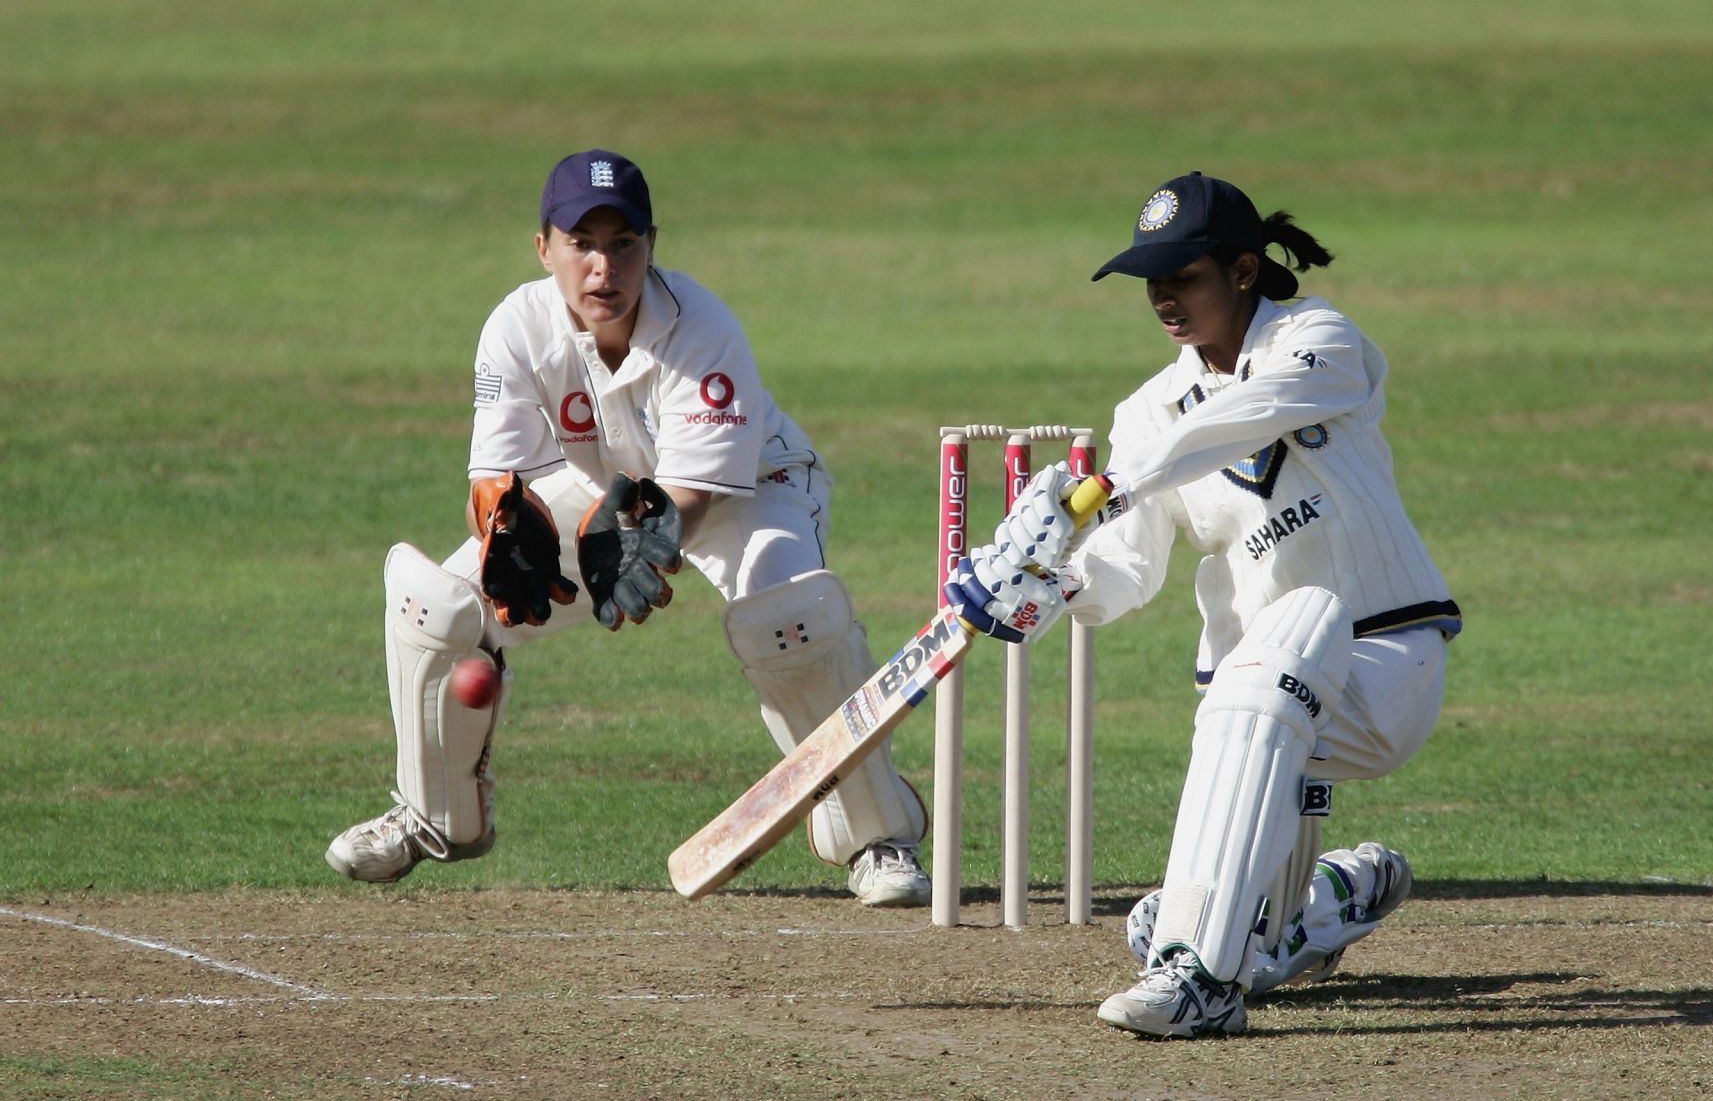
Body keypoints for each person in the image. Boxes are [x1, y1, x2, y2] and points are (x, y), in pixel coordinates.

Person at [326, 149, 931, 908]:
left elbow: (693, 496)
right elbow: (495, 479)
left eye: (624, 245)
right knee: (435, 605)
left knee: (791, 619)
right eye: (581, 244)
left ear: (652, 245)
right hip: (597, 491)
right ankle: (435, 815)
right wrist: (505, 530)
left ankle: (879, 830)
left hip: (749, 491)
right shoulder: (516, 326)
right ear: (543, 247)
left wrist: (641, 539)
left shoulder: (703, 328)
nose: (603, 268)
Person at [946, 171, 1461, 1035]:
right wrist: (1049, 584)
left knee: (1291, 629)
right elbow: (1125, 573)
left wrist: (1104, 484)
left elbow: (1244, 415)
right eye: (1152, 279)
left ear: (1246, 271)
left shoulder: (1321, 341)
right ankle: (1312, 912)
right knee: (1250, 699)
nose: (1162, 297)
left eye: (1183, 275)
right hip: (1254, 711)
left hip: (1381, 661)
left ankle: (1199, 981)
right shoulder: (1146, 410)